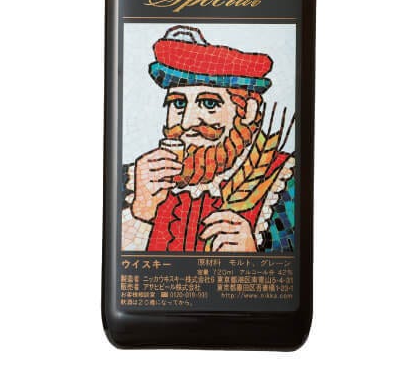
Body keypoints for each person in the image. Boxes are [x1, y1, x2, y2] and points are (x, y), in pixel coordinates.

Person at [121, 25, 295, 252]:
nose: (187, 123)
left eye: (209, 103)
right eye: (178, 103)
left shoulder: (286, 181)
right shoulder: (134, 180)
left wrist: (250, 254)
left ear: (248, 111)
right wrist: (140, 214)